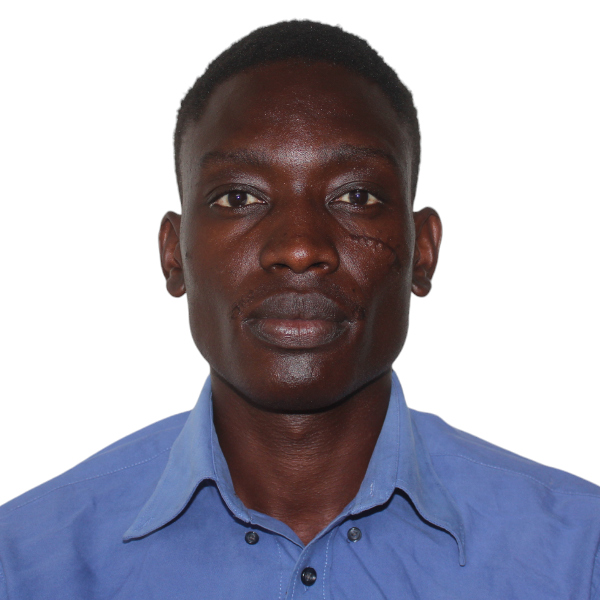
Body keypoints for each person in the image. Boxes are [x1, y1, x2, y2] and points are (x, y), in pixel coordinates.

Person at [0, 19, 598, 599]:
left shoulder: (579, 558)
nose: (300, 247)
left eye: (356, 195)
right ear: (173, 254)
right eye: (239, 197)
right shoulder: (23, 564)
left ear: (424, 251)